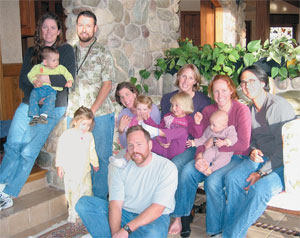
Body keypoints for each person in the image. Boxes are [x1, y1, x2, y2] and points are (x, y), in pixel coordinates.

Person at [0, 12, 75, 211]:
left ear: (59, 31)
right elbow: (23, 80)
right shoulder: (32, 51)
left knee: (28, 151)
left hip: (52, 106)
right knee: (12, 144)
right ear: (39, 30)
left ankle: (8, 194)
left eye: (53, 27)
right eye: (45, 27)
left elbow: (66, 80)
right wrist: (36, 91)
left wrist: (43, 82)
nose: (49, 31)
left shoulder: (65, 50)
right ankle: (0, 185)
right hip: (30, 102)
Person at [169, 75, 251, 237]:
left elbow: (243, 144)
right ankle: (182, 218)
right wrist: (199, 157)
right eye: (216, 92)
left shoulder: (241, 110)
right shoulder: (208, 111)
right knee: (187, 171)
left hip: (234, 156)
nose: (220, 95)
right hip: (209, 154)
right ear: (212, 93)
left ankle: (215, 231)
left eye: (224, 91)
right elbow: (203, 139)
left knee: (212, 182)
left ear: (232, 90)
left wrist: (219, 143)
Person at [220, 65, 295, 237]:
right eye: (243, 82)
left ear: (263, 82)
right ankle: (232, 229)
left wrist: (261, 173)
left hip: (285, 163)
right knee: (232, 179)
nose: (246, 86)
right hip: (262, 158)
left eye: (251, 81)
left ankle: (231, 235)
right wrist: (252, 150)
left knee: (260, 190)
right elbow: (250, 140)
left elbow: (285, 148)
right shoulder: (250, 109)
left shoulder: (277, 107)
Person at [75, 125, 178, 238]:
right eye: (131, 145)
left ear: (149, 145)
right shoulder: (118, 165)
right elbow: (115, 205)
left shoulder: (167, 167)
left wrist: (126, 229)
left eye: (139, 144)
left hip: (153, 218)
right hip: (125, 213)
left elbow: (157, 209)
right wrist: (116, 234)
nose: (135, 150)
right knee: (84, 204)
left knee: (153, 234)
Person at [66, 10, 115, 200]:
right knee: (77, 160)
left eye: (88, 25)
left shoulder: (103, 52)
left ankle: (99, 203)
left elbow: (107, 84)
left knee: (100, 160)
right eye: (81, 25)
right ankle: (80, 201)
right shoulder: (68, 51)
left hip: (100, 115)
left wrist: (91, 113)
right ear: (76, 27)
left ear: (95, 28)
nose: (84, 29)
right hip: (74, 115)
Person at [56, 106, 99, 223]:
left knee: (87, 191)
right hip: (71, 171)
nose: (86, 127)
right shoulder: (67, 135)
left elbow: (91, 150)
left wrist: (95, 163)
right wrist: (59, 166)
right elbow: (61, 151)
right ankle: (72, 212)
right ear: (75, 121)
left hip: (85, 171)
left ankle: (85, 212)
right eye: (83, 124)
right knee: (73, 192)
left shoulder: (89, 136)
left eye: (89, 125)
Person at [140, 92, 196, 159]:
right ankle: (125, 160)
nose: (174, 108)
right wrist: (148, 120)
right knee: (142, 143)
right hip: (163, 146)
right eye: (172, 105)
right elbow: (159, 127)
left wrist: (198, 124)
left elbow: (196, 134)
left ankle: (157, 133)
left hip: (176, 150)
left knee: (183, 131)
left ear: (185, 106)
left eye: (176, 105)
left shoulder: (189, 120)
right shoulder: (168, 116)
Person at [28, 46, 74, 125]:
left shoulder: (60, 68)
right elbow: (30, 74)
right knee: (33, 97)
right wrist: (34, 81)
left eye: (58, 60)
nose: (57, 62)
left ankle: (44, 115)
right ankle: (34, 116)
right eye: (54, 60)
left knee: (51, 99)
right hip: (39, 89)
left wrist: (69, 81)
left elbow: (68, 75)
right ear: (45, 62)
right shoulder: (38, 67)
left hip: (51, 90)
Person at [187, 110, 238, 176]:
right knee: (207, 153)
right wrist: (194, 142)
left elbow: (234, 138)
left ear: (224, 125)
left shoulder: (229, 129)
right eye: (211, 124)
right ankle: (204, 166)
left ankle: (211, 169)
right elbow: (204, 139)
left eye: (214, 125)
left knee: (223, 160)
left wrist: (224, 142)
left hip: (225, 152)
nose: (211, 126)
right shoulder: (209, 129)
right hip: (213, 149)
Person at [115, 82, 161, 148]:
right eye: (122, 97)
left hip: (151, 148)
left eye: (127, 94)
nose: (125, 99)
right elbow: (125, 145)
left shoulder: (150, 108)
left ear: (135, 94)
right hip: (132, 150)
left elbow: (156, 135)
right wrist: (121, 130)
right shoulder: (123, 114)